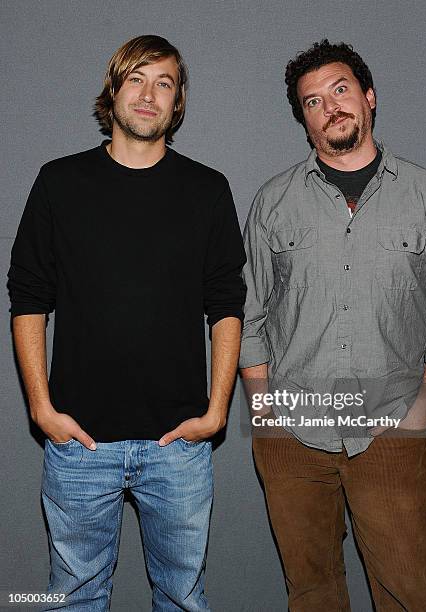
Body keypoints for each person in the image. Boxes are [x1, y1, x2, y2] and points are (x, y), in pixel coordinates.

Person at [8, 34, 246, 611]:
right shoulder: (59, 183)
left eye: (164, 82)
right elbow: (28, 297)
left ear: (177, 101)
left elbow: (227, 305)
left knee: (185, 599)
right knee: (71, 600)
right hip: (80, 445)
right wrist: (41, 409)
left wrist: (215, 413)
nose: (148, 94)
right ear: (113, 90)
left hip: (178, 448)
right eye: (136, 79)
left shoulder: (207, 190)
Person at [239, 39, 426, 611]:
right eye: (313, 101)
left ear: (369, 97)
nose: (331, 107)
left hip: (390, 433)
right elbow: (249, 318)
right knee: (312, 593)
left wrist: (417, 420)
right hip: (294, 437)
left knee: (408, 594)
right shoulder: (274, 203)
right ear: (305, 120)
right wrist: (265, 416)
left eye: (341, 90)